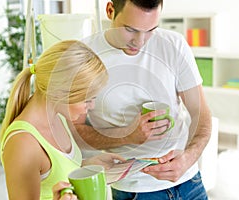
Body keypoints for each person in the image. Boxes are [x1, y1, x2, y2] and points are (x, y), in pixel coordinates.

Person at [74, 0, 212, 199]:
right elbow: (75, 130)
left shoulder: (174, 44)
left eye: (151, 30)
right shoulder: (84, 56)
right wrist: (127, 135)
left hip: (189, 182)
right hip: (136, 190)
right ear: (110, 10)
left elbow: (201, 113)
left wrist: (189, 157)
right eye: (130, 29)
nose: (140, 42)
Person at [0, 40, 125, 200]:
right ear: (61, 91)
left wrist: (87, 166)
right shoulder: (23, 143)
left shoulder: (59, 117)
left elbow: (55, 174)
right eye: (87, 99)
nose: (91, 106)